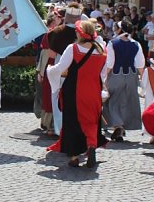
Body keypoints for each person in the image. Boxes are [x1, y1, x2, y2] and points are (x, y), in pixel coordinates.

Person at [46, 19, 108, 168]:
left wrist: (49, 70)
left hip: (73, 89)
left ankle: (74, 156)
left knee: (72, 121)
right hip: (94, 89)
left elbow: (61, 67)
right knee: (92, 120)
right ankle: (91, 145)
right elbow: (103, 73)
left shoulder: (73, 48)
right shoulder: (102, 50)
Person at [103, 21, 145, 142]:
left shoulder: (112, 43)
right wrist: (142, 79)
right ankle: (121, 126)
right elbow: (140, 64)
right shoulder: (136, 44)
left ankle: (118, 125)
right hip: (131, 76)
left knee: (112, 101)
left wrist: (104, 78)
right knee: (127, 101)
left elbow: (110, 63)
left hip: (116, 75)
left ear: (119, 30)